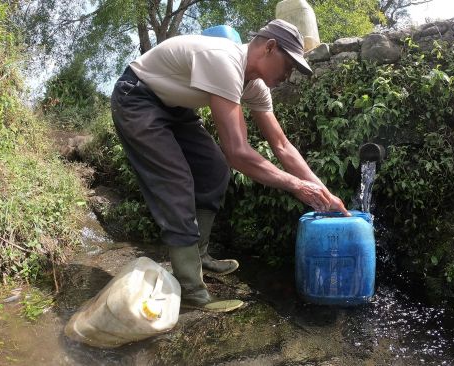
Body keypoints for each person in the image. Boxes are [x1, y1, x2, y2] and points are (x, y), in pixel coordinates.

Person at [111, 19, 350, 313]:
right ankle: (191, 290)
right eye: (288, 65)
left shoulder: (256, 88)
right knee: (176, 182)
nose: (288, 75)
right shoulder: (225, 60)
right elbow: (237, 152)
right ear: (269, 47)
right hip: (137, 96)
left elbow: (282, 146)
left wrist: (324, 193)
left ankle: (199, 255)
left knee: (214, 169)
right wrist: (295, 185)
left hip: (174, 106)